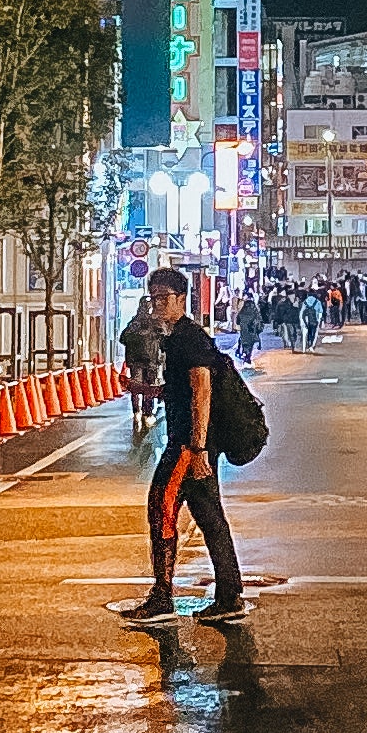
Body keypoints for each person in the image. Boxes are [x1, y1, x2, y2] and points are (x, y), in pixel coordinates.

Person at [122, 264, 248, 631]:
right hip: (191, 444)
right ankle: (229, 596)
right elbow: (180, 391)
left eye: (164, 298)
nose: (158, 304)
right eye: (153, 298)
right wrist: (143, 391)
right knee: (210, 519)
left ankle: (163, 598)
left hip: (186, 447)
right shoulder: (178, 337)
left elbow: (201, 390)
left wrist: (197, 448)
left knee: (161, 507)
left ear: (181, 299)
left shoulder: (188, 339)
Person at [120, 291, 165, 440]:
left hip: (136, 360)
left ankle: (136, 411)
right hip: (150, 360)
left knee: (136, 386)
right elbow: (163, 338)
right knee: (148, 387)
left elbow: (123, 338)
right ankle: (147, 412)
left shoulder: (134, 323)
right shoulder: (154, 323)